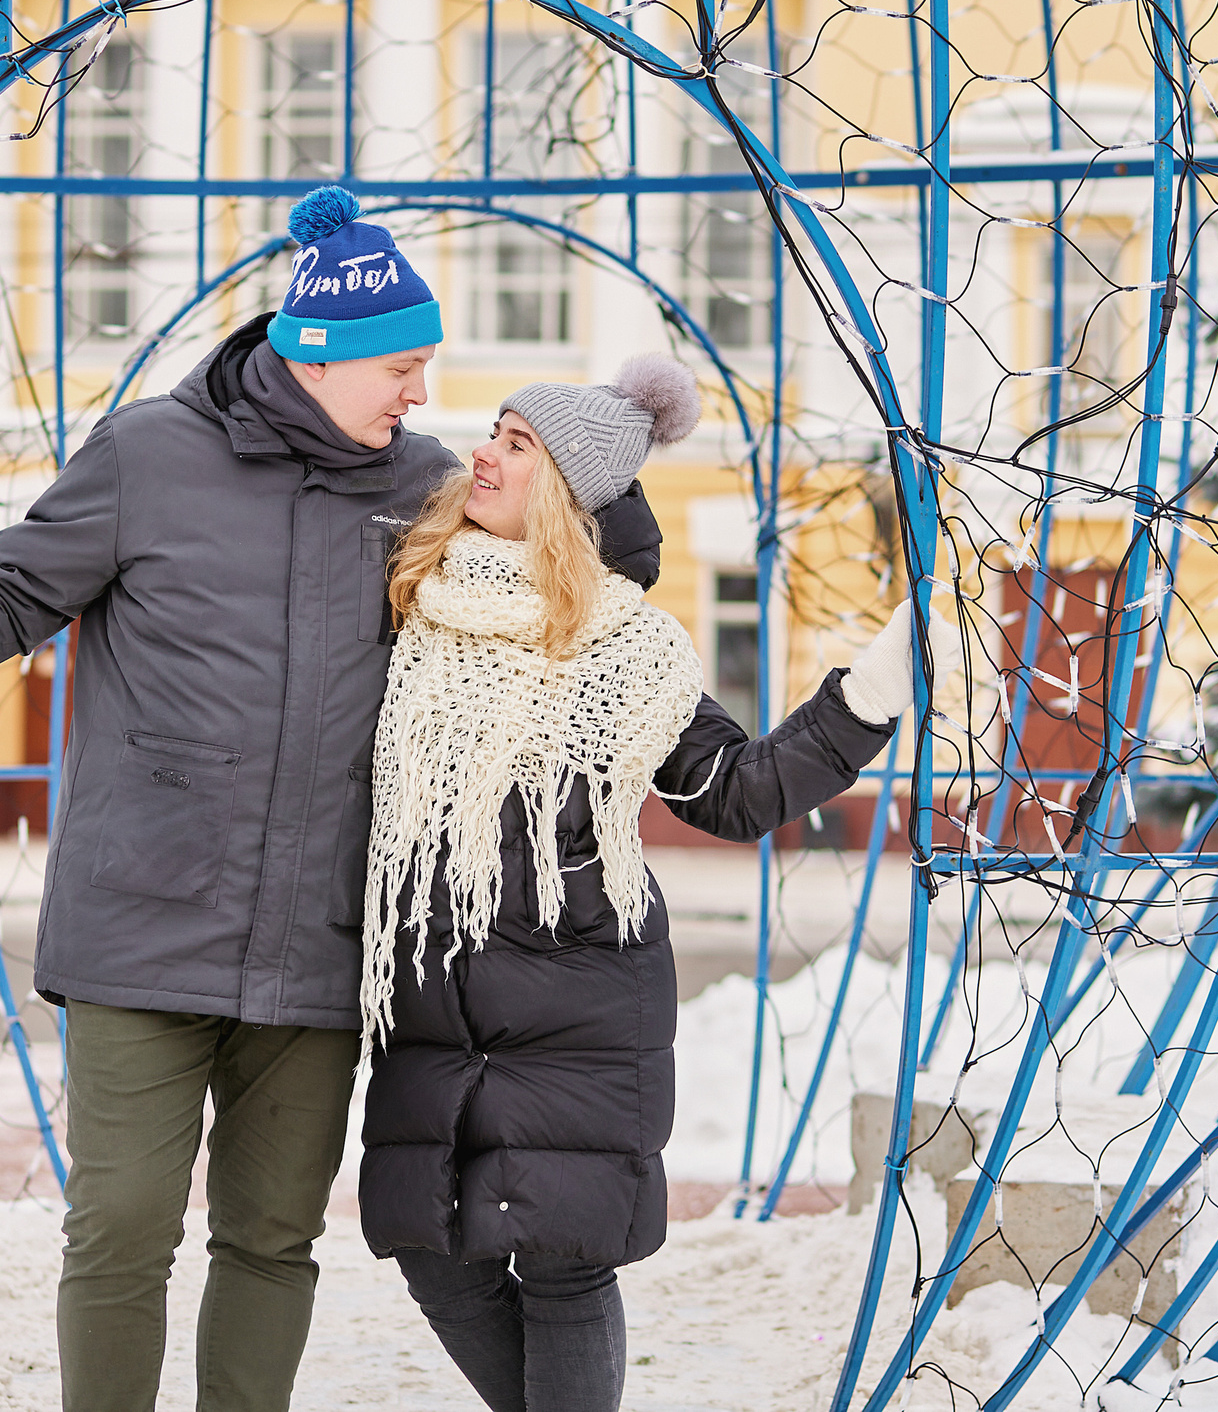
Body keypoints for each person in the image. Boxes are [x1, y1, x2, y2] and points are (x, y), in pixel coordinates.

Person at [0, 184, 451, 1412]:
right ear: (318, 353)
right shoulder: (149, 455)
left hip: (325, 933)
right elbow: (7, 594)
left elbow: (525, 599)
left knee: (272, 1237)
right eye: (400, 366)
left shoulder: (427, 487)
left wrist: (606, 528)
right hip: (147, 917)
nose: (418, 394)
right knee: (123, 1226)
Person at [358, 358, 914, 1412]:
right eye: (494, 433)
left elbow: (736, 792)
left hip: (581, 1002)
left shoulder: (629, 648)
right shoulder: (410, 603)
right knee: (430, 1243)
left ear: (566, 487)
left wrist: (868, 697)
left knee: (565, 1257)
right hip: (431, 1004)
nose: (482, 453)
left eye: (517, 446)